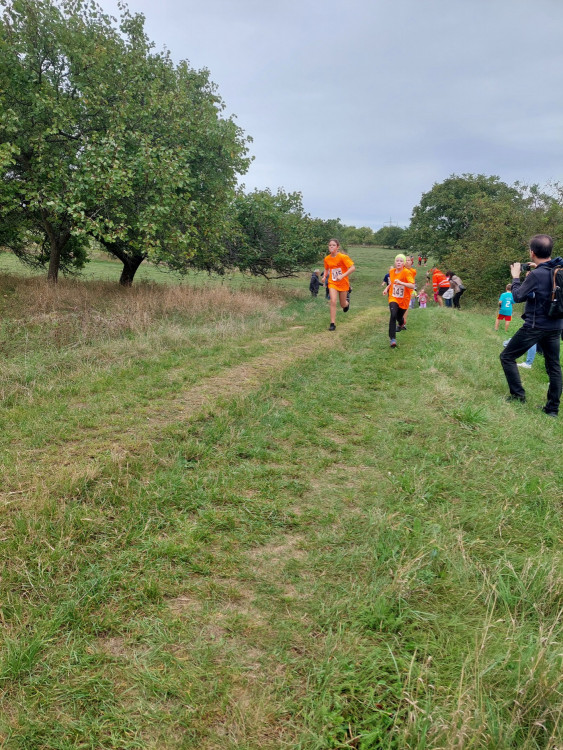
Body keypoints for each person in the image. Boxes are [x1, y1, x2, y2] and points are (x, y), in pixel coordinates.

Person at [500, 234, 563, 416]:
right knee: (554, 366)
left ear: (532, 252)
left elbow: (517, 296)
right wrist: (539, 269)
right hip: (556, 325)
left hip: (535, 326)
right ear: (550, 251)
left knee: (507, 357)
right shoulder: (558, 270)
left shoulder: (536, 275)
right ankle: (552, 409)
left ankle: (518, 395)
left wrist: (515, 277)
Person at [321, 239, 355, 331]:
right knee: (333, 301)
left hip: (343, 282)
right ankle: (332, 324)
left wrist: (342, 275)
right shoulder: (327, 258)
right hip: (333, 282)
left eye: (333, 245)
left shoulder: (343, 257)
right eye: (330, 245)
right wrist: (324, 277)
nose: (331, 247)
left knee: (342, 304)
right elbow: (326, 269)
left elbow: (352, 268)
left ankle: (347, 302)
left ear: (337, 247)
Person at [383, 253, 416, 347]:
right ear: (394, 262)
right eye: (397, 260)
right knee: (393, 315)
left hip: (404, 299)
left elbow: (412, 285)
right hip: (393, 297)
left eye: (401, 261)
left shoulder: (406, 272)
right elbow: (392, 282)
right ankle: (392, 339)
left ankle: (401, 322)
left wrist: (402, 283)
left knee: (399, 317)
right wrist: (386, 288)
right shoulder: (392, 271)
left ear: (404, 263)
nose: (398, 262)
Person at [402, 255, 417, 326]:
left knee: (406, 307)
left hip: (408, 291)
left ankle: (403, 323)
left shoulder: (413, 271)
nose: (407, 262)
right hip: (400, 290)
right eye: (406, 260)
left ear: (411, 262)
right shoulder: (401, 269)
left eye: (409, 260)